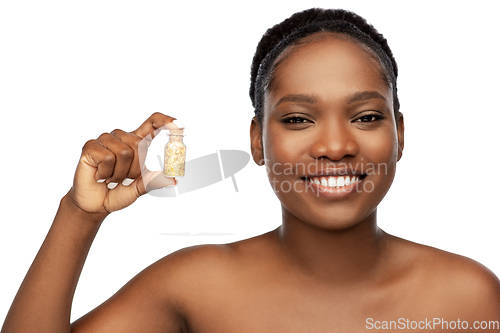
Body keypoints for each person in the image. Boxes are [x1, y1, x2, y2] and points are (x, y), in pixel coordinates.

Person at [2, 7, 500, 333]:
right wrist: (78, 215)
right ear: (258, 141)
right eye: (299, 119)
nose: (335, 145)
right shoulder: (198, 285)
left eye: (367, 117)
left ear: (400, 134)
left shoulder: (467, 297)